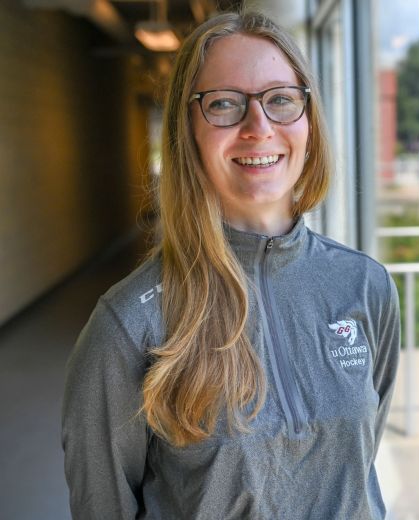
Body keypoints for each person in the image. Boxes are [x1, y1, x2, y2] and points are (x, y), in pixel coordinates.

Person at [61, 9, 400, 519]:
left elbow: (359, 465)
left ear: (308, 119)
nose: (258, 127)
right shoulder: (129, 325)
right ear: (187, 130)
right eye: (224, 104)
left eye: (281, 100)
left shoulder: (363, 285)